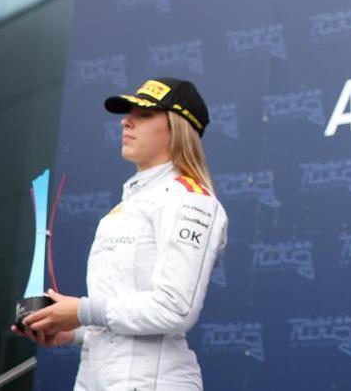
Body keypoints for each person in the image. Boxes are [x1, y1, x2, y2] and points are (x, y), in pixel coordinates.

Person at [16, 77, 229, 390]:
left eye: (143, 115)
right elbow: (117, 313)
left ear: (177, 127)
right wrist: (69, 330)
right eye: (128, 114)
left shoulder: (190, 200)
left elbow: (174, 308)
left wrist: (81, 311)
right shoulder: (125, 207)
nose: (126, 122)